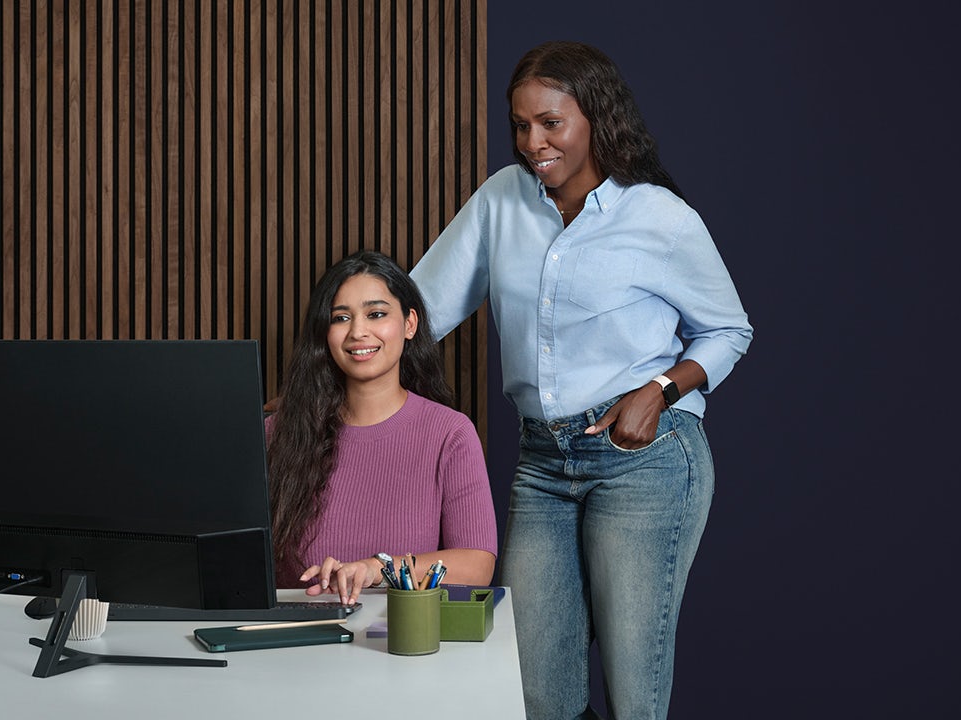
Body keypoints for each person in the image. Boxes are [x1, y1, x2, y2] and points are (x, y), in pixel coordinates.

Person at [410, 41, 753, 720]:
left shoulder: (656, 216)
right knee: (534, 691)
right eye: (519, 125)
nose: (532, 141)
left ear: (595, 118)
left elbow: (729, 330)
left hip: (644, 462)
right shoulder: (502, 201)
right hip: (543, 465)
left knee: (633, 690)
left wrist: (659, 390)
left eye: (550, 123)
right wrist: (319, 389)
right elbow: (419, 312)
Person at [265, 250, 497, 606]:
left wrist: (377, 569)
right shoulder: (277, 434)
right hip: (293, 645)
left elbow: (477, 563)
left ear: (409, 324)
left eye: (376, 314)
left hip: (406, 646)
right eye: (341, 318)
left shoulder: (450, 434)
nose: (358, 331)